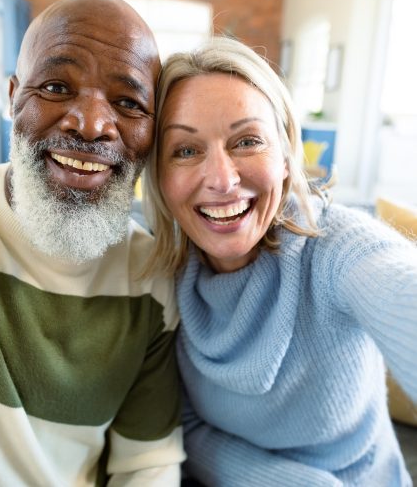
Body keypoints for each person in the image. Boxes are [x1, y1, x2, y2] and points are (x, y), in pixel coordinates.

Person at [0, 0, 185, 485]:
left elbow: (148, 465)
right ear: (14, 96)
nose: (91, 124)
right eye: (58, 86)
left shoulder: (150, 279)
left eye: (127, 103)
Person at [143, 36, 417, 486]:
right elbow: (185, 427)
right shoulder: (160, 274)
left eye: (247, 141)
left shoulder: (336, 249)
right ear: (159, 175)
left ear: (287, 156)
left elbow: (399, 287)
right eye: (187, 150)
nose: (222, 180)